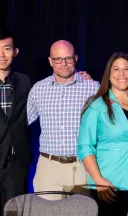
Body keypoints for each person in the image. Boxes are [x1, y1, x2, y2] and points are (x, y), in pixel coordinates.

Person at [77, 52, 128, 216]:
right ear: (109, 74)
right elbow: (85, 147)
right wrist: (98, 180)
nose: (122, 74)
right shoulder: (96, 105)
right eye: (116, 69)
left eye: (127, 69)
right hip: (110, 185)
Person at [27, 40, 100, 200]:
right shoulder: (39, 89)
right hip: (49, 167)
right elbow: (21, 122)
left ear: (76, 58)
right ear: (50, 61)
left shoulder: (93, 88)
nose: (63, 63)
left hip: (82, 165)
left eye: (68, 58)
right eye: (58, 59)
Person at [0, 27, 31, 216]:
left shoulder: (25, 81)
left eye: (7, 48)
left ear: (15, 52)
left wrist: (81, 76)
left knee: (15, 213)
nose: (2, 55)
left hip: (15, 164)